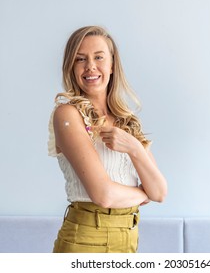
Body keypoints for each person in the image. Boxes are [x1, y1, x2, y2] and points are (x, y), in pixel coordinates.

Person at [48, 26, 167, 253]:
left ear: (112, 64)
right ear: (71, 68)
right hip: (85, 239)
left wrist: (134, 148)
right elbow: (103, 195)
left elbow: (160, 192)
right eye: (80, 59)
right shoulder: (67, 114)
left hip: (128, 239)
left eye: (98, 57)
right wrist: (144, 193)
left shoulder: (126, 121)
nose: (90, 66)